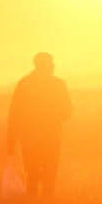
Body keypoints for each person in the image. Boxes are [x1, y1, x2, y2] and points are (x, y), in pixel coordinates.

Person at [6, 52, 73, 196]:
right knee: (48, 170)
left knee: (32, 171)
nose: (53, 67)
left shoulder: (24, 84)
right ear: (47, 66)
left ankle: (34, 203)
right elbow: (68, 111)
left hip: (31, 137)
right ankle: (44, 202)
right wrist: (54, 114)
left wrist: (11, 142)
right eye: (51, 64)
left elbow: (14, 115)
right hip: (51, 136)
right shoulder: (58, 85)